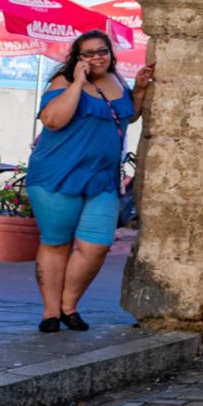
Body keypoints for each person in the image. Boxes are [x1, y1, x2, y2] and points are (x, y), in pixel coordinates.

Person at [27, 29, 133, 332]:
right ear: (77, 58)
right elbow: (53, 120)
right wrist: (78, 83)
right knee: (56, 243)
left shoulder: (119, 81)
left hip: (102, 178)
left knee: (97, 245)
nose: (97, 57)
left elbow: (125, 116)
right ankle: (51, 312)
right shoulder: (62, 83)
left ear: (111, 54)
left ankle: (68, 305)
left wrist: (139, 91)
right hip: (58, 175)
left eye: (102, 51)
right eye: (89, 53)